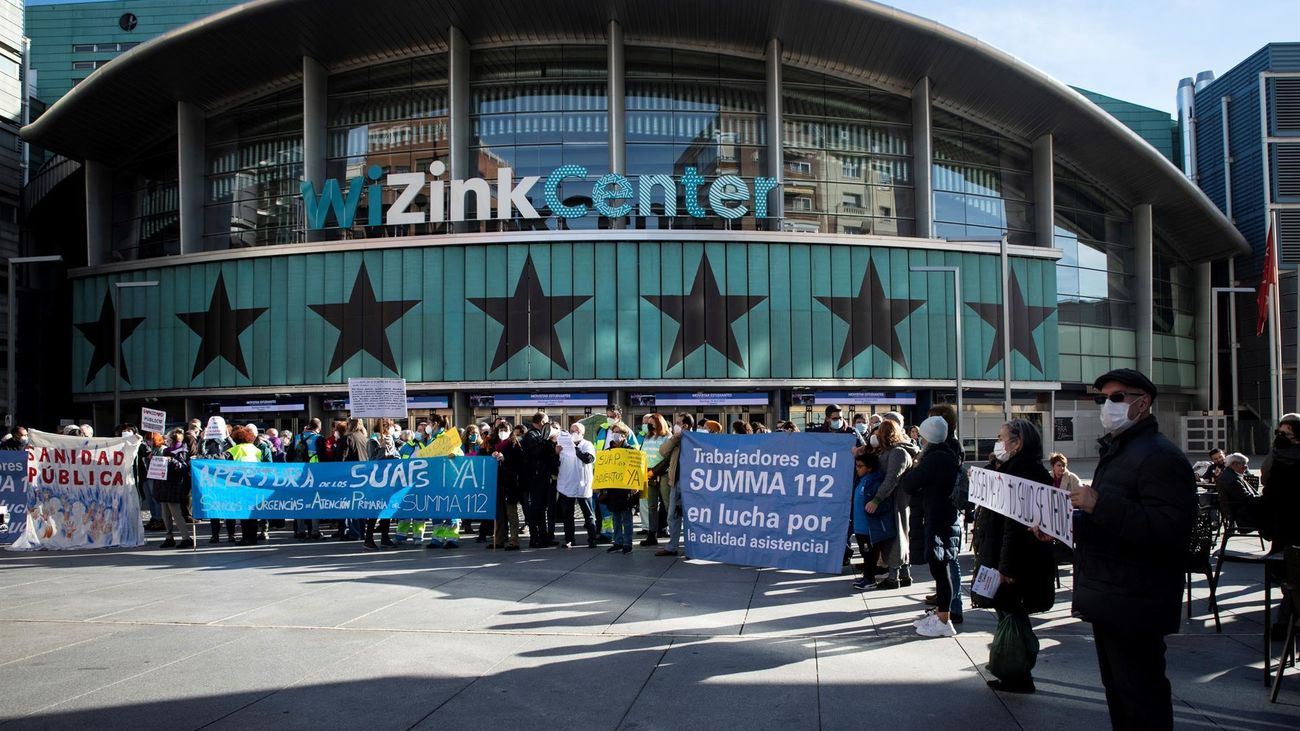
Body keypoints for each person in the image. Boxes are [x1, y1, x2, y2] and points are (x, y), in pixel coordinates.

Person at [1071, 369, 1195, 730]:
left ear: (1143, 403)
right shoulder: (1120, 452)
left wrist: (1098, 505)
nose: (1107, 406)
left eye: (1117, 397)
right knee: (1120, 693)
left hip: (1137, 598)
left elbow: (1169, 530)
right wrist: (1062, 528)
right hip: (1111, 594)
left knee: (1142, 697)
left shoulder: (1160, 456)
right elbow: (1107, 521)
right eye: (1102, 398)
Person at [975, 419, 1058, 692]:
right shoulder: (1018, 469)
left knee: (1013, 616)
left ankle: (1017, 673)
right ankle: (1015, 673)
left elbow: (1013, 527)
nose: (997, 443)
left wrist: (1006, 568)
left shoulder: (1021, 474)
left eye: (1001, 438)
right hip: (1012, 558)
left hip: (1015, 562)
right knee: (1011, 615)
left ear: (1017, 442)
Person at [904, 416, 962, 638]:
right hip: (944, 517)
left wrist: (916, 465)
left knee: (940, 569)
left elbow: (911, 482)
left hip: (938, 519)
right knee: (941, 568)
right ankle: (941, 615)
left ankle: (943, 620)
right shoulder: (948, 454)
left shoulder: (935, 458)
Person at [926, 403, 965, 624]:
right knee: (944, 563)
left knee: (950, 561)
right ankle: (945, 599)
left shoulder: (948, 446)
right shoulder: (944, 444)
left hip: (945, 510)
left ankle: (954, 605)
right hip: (943, 509)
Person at [868, 419, 918, 589]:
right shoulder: (888, 451)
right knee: (897, 536)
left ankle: (893, 576)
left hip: (896, 501)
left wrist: (877, 499)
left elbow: (892, 479)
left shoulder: (897, 453)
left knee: (896, 537)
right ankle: (904, 574)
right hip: (892, 500)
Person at [851, 452, 894, 590]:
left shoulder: (874, 482)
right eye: (856, 466)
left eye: (860, 466)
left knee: (870, 554)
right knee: (865, 554)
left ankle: (870, 579)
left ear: (869, 468)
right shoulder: (860, 480)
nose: (857, 468)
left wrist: (874, 506)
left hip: (868, 527)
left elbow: (884, 503)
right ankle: (866, 577)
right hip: (859, 526)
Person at [654, 413, 694, 557]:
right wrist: (675, 437)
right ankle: (672, 547)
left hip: (691, 485)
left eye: (678, 422)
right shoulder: (675, 439)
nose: (675, 424)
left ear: (686, 425)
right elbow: (663, 451)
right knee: (672, 516)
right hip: (675, 482)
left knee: (691, 518)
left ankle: (692, 548)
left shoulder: (695, 440)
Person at [595, 423, 637, 553]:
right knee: (616, 517)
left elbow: (635, 469)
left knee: (626, 517)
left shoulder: (631, 451)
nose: (615, 434)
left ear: (624, 436)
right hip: (612, 489)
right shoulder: (608, 452)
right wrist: (599, 486)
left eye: (618, 432)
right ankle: (617, 541)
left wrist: (635, 485)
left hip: (625, 489)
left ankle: (627, 543)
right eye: (614, 432)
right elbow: (602, 470)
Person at [555, 422, 597, 548]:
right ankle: (569, 539)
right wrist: (556, 453)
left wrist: (574, 448)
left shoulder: (587, 444)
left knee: (588, 514)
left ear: (582, 433)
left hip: (582, 485)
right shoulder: (562, 446)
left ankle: (592, 539)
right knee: (568, 515)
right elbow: (556, 462)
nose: (574, 433)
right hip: (566, 484)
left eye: (577, 431)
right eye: (572, 430)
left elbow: (588, 459)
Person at [522, 412, 559, 548]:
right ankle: (535, 538)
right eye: (546, 421)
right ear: (542, 421)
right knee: (536, 508)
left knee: (542, 508)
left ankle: (544, 537)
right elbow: (537, 452)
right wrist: (549, 442)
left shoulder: (538, 434)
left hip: (542, 475)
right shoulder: (531, 435)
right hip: (535, 476)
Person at [153, 429, 194, 549]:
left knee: (176, 513)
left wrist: (173, 461)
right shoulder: (165, 450)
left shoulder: (182, 451)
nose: (166, 440)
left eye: (169, 439)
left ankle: (186, 538)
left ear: (174, 440)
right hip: (164, 484)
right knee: (165, 513)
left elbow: (184, 468)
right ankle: (169, 537)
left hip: (175, 485)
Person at [227, 424, 264, 546]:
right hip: (255, 484)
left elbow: (222, 461)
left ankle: (245, 538)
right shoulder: (257, 450)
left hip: (241, 484)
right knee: (253, 513)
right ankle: (252, 537)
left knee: (244, 513)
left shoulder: (234, 450)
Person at [493, 423, 527, 551]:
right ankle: (499, 540)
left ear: (510, 431)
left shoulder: (515, 444)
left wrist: (505, 459)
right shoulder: (494, 444)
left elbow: (519, 464)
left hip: (510, 484)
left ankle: (514, 540)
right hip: (497, 483)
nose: (503, 431)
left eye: (505, 429)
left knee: (511, 513)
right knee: (499, 514)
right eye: (500, 429)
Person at [639, 414, 672, 546]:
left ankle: (672, 534)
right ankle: (651, 535)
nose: (649, 425)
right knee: (651, 506)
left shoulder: (667, 437)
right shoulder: (647, 438)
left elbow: (668, 459)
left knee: (668, 504)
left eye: (652, 423)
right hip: (649, 474)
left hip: (662, 474)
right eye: (649, 423)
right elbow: (643, 454)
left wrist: (653, 471)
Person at [336, 418, 371, 543]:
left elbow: (340, 459)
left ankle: (354, 532)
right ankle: (361, 531)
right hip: (364, 476)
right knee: (360, 504)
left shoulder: (347, 438)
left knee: (352, 504)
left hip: (350, 476)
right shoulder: (364, 438)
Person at [1216, 452, 1261, 530]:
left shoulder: (1232, 475)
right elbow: (1247, 498)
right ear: (1234, 464)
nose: (1246, 467)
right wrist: (1265, 498)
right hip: (1244, 515)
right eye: (1244, 464)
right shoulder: (1231, 479)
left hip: (1243, 510)